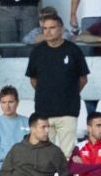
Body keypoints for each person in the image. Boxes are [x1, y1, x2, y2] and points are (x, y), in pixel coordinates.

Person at [25, 12, 89, 153]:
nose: (48, 31)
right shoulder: (37, 52)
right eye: (45, 28)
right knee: (44, 155)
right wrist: (47, 92)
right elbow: (33, 79)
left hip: (68, 112)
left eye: (52, 27)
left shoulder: (73, 50)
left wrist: (69, 92)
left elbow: (83, 79)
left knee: (67, 155)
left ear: (61, 29)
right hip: (43, 113)